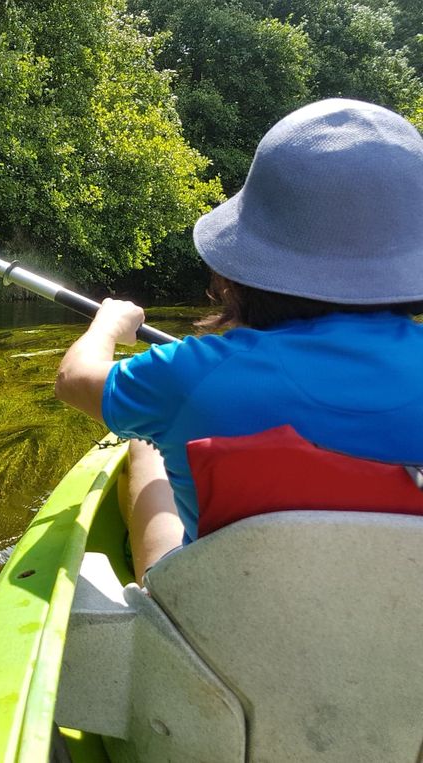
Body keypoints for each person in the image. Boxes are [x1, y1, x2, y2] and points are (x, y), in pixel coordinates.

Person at [54, 98, 423, 579]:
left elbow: (74, 379)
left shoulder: (190, 374)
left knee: (143, 441)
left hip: (217, 636)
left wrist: (108, 322)